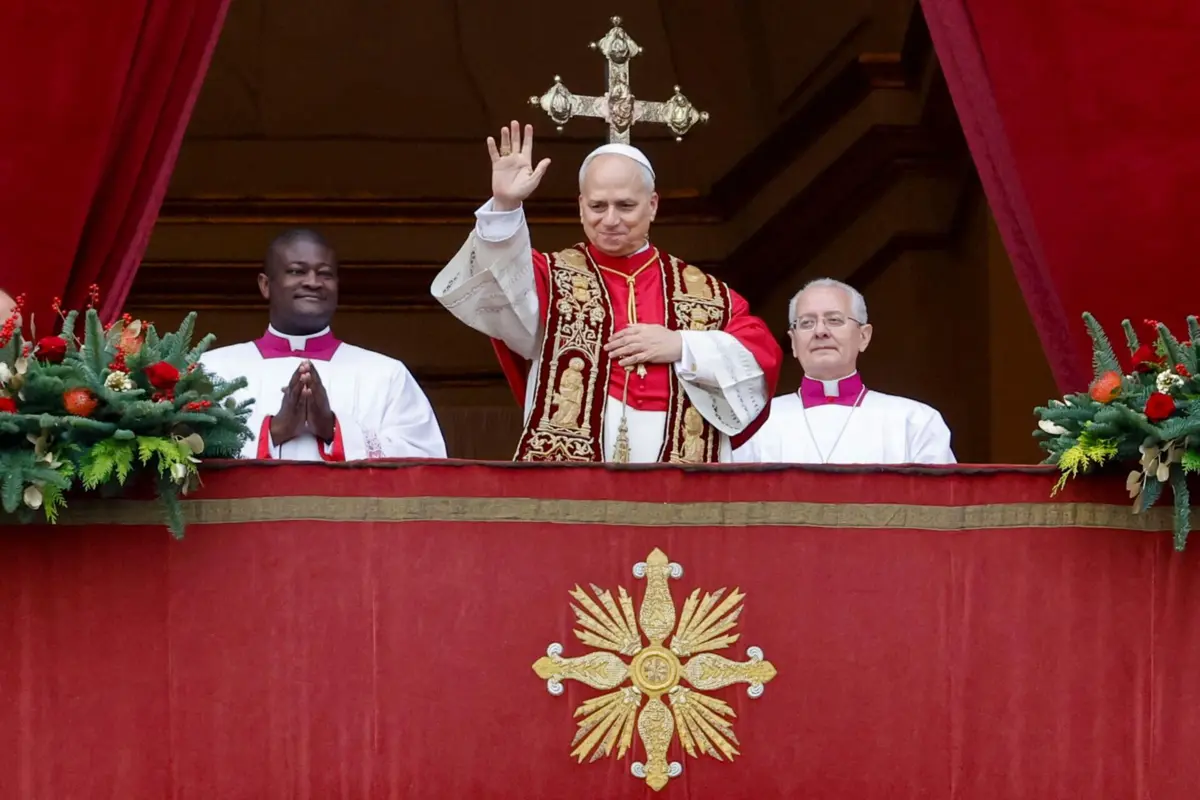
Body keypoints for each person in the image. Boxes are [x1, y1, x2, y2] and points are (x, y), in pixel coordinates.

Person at [431, 121, 782, 463]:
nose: (610, 219)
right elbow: (502, 286)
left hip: (676, 471)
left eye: (626, 206)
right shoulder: (548, 277)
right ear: (581, 206)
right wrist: (505, 206)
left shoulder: (707, 294)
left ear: (653, 205)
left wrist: (683, 346)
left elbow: (761, 356)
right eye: (598, 206)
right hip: (576, 471)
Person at [201, 229, 446, 461]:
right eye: (297, 271)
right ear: (266, 285)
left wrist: (333, 428)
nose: (313, 282)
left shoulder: (387, 375)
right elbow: (181, 455)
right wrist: (274, 431)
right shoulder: (212, 371)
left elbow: (424, 463)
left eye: (325, 274)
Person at [732, 278, 955, 464]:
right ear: (793, 342)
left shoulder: (915, 421)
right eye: (807, 323)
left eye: (834, 320)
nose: (820, 331)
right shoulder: (754, 425)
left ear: (864, 336)